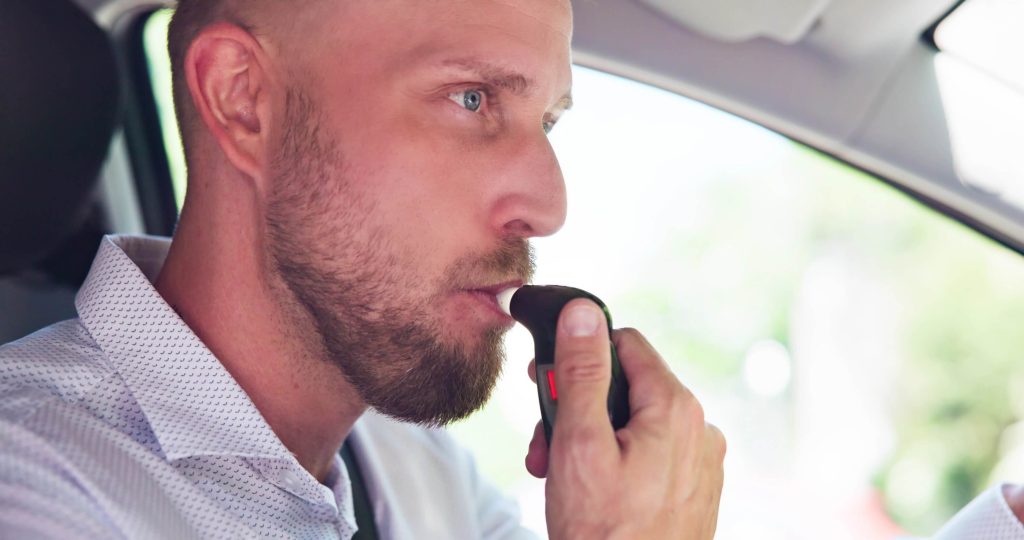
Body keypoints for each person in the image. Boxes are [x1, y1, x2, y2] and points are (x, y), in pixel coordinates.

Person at [0, 0, 726, 538]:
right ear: (241, 99)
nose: (549, 203)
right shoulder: (29, 485)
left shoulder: (420, 469)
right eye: (472, 99)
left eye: (548, 121)